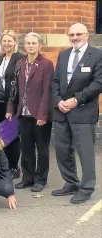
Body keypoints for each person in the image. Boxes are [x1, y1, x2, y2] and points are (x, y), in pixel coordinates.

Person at [51, 23, 102, 204]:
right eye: (71, 34)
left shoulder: (97, 54)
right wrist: (58, 101)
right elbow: (55, 81)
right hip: (62, 111)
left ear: (86, 35)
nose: (75, 37)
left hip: (83, 112)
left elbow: (98, 83)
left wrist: (76, 99)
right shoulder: (64, 55)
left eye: (78, 34)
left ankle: (86, 188)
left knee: (85, 152)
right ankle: (70, 182)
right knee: (62, 150)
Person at [6, 32, 54, 192]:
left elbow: (48, 91)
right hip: (23, 113)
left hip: (39, 114)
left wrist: (43, 115)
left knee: (42, 148)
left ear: (40, 45)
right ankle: (28, 177)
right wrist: (10, 109)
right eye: (28, 43)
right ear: (24, 46)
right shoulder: (19, 63)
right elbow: (14, 89)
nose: (31, 46)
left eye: (34, 43)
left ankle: (40, 179)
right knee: (26, 148)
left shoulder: (46, 64)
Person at [0, 30, 25, 179]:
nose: (6, 43)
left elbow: (18, 85)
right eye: (4, 41)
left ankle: (15, 168)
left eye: (9, 41)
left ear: (15, 42)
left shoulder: (20, 59)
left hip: (11, 102)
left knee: (12, 136)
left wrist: (11, 105)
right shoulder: (1, 59)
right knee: (3, 135)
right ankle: (6, 165)